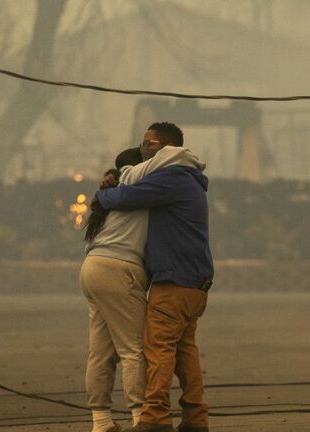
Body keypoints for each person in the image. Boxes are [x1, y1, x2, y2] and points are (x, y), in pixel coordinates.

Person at [96, 122, 214, 432]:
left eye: (150, 143)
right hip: (194, 283)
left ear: (166, 149)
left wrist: (103, 193)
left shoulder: (171, 177)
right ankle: (195, 418)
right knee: (184, 353)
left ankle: (155, 418)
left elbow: (123, 199)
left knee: (158, 349)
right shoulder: (188, 178)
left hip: (173, 283)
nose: (144, 148)